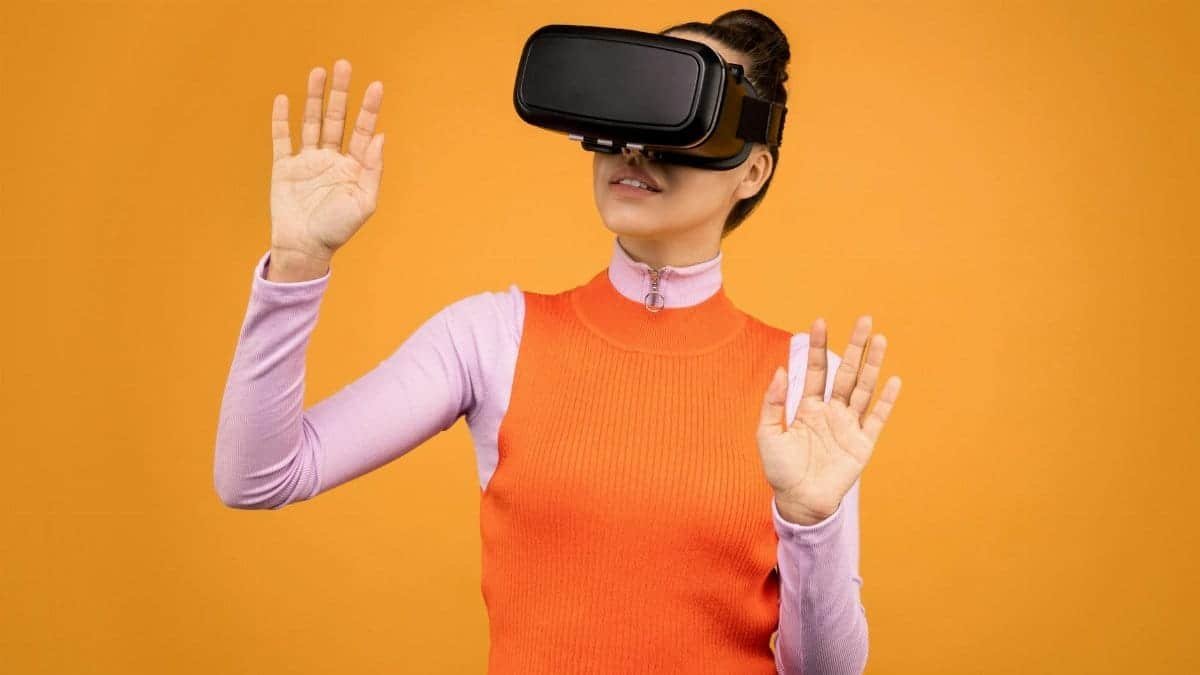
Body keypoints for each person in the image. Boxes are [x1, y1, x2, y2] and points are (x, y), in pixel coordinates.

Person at [214, 9, 901, 674]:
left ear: (752, 171)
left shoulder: (807, 384)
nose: (635, 148)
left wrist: (810, 520)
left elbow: (827, 673)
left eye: (680, 117)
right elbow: (258, 475)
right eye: (629, 107)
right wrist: (297, 263)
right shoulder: (490, 337)